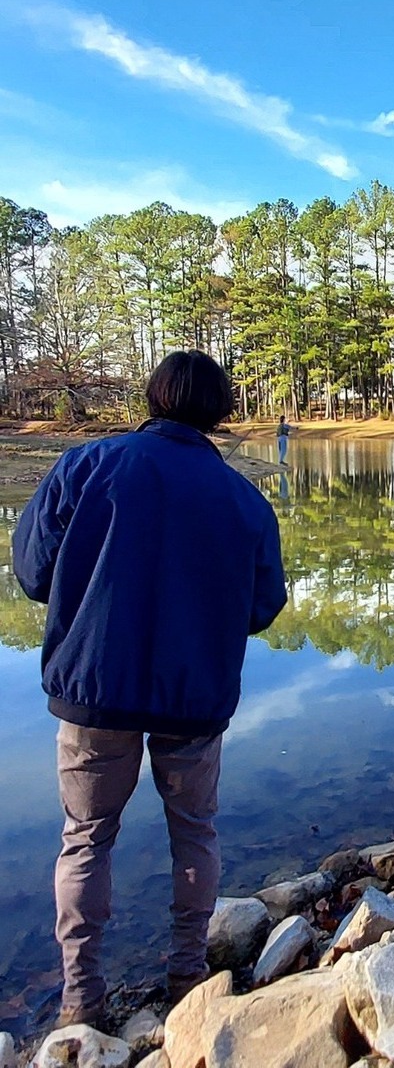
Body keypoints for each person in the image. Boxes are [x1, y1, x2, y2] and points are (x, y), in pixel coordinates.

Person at [12, 350, 287, 1028]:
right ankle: (187, 975)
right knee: (194, 831)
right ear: (220, 412)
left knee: (85, 839)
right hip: (194, 696)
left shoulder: (84, 466)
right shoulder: (244, 499)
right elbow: (261, 607)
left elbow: (32, 571)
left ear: (154, 397)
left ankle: (82, 999)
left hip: (93, 688)